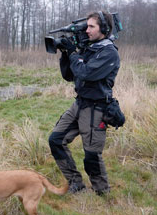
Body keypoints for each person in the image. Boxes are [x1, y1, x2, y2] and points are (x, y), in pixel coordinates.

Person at [48, 11, 120, 195]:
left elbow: (86, 73)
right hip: (79, 104)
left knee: (91, 155)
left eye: (91, 27)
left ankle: (102, 192)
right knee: (56, 140)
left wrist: (73, 52)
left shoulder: (109, 53)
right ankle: (76, 183)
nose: (87, 30)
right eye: (86, 26)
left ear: (103, 29)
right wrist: (66, 53)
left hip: (96, 108)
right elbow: (70, 75)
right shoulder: (89, 49)